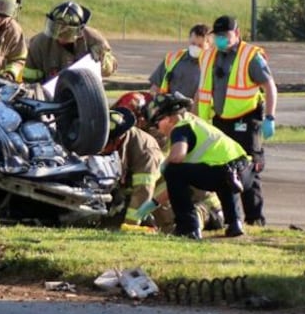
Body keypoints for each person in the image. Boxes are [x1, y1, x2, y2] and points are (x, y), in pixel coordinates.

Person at [194, 15, 277, 227]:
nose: (220, 39)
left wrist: (270, 116)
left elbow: (269, 86)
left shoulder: (250, 56)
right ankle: (234, 218)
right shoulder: (209, 55)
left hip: (247, 121)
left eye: (225, 35)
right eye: (217, 36)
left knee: (249, 168)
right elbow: (201, 90)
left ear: (237, 34)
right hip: (221, 122)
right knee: (224, 170)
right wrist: (194, 118)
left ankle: (254, 218)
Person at [109, 91, 224, 234]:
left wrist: (131, 224)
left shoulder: (163, 138)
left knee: (155, 193)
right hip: (184, 191)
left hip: (205, 204)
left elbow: (147, 184)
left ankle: (188, 225)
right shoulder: (151, 135)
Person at [148, 92, 251, 239]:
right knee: (226, 182)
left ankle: (188, 228)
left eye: (157, 123)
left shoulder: (180, 127)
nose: (157, 129)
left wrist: (164, 166)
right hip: (243, 170)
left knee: (173, 171)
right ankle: (235, 224)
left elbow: (178, 156)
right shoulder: (195, 122)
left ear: (168, 118)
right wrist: (153, 204)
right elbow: (173, 188)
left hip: (224, 171)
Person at [100, 106, 163, 229]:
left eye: (105, 144)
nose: (101, 149)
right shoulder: (114, 142)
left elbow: (143, 190)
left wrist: (130, 224)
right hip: (127, 194)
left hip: (155, 198)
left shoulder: (145, 152)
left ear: (117, 139)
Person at [23, 1, 117, 83]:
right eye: (55, 29)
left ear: (78, 31)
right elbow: (29, 80)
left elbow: (110, 70)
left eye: (66, 32)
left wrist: (102, 60)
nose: (59, 36)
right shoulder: (40, 44)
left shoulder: (94, 40)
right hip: (49, 98)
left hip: (85, 96)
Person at [149, 24, 210, 99]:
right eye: (193, 44)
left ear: (209, 45)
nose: (196, 48)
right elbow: (155, 87)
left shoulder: (211, 65)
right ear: (189, 39)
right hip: (170, 107)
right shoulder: (173, 59)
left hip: (195, 109)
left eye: (200, 46)